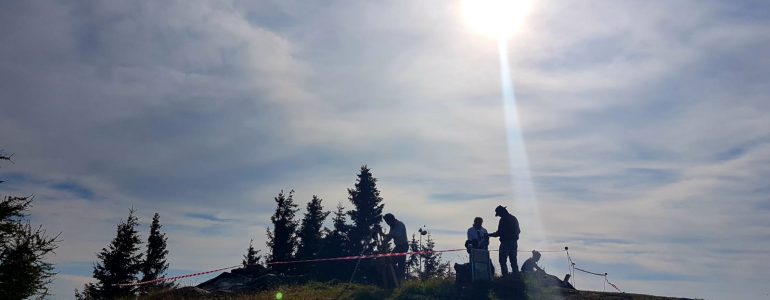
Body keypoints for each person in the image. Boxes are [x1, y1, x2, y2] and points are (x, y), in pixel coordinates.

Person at [488, 205, 520, 277]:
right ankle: (516, 276)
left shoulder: (503, 219)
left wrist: (489, 235)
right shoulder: (514, 218)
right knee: (513, 261)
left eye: (499, 214)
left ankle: (505, 277)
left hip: (506, 243)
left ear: (501, 212)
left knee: (502, 261)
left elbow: (499, 233)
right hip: (514, 243)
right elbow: (519, 231)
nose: (499, 216)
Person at [382, 213, 408, 281]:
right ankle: (395, 277)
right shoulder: (392, 226)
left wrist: (387, 235)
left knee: (401, 264)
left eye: (387, 222)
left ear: (391, 220)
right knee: (390, 260)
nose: (387, 223)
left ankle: (400, 280)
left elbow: (397, 234)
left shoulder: (400, 224)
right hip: (398, 246)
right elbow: (390, 236)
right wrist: (385, 240)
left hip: (403, 246)